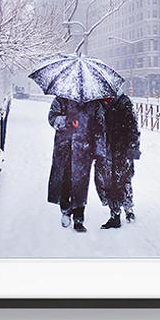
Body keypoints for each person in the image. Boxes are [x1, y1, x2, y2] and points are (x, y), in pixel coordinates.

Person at [92, 93, 142, 228]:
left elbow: (133, 127)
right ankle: (115, 213)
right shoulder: (97, 104)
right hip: (105, 150)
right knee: (107, 182)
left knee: (124, 179)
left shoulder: (123, 102)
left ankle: (127, 209)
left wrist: (133, 148)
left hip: (122, 149)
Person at [46, 95, 95, 231]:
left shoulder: (91, 102)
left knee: (80, 185)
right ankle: (65, 210)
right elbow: (52, 118)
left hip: (83, 150)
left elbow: (96, 124)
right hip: (64, 149)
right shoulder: (61, 99)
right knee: (64, 181)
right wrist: (68, 120)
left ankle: (79, 219)